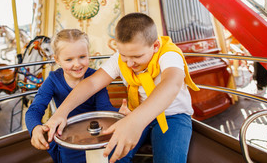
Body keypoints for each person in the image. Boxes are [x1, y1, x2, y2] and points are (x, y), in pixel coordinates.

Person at [44, 13, 200, 163]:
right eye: (124, 56)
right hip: (135, 113)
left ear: (155, 46)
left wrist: (134, 121)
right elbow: (92, 83)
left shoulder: (169, 54)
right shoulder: (121, 57)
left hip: (172, 116)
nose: (130, 63)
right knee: (111, 155)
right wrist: (61, 112)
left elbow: (171, 85)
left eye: (137, 57)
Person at [25, 29, 129, 163]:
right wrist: (35, 128)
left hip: (95, 138)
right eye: (69, 59)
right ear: (57, 60)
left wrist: (120, 114)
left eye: (82, 57)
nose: (77, 64)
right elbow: (35, 109)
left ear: (88, 55)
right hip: (69, 141)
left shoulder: (95, 78)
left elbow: (104, 109)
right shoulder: (52, 80)